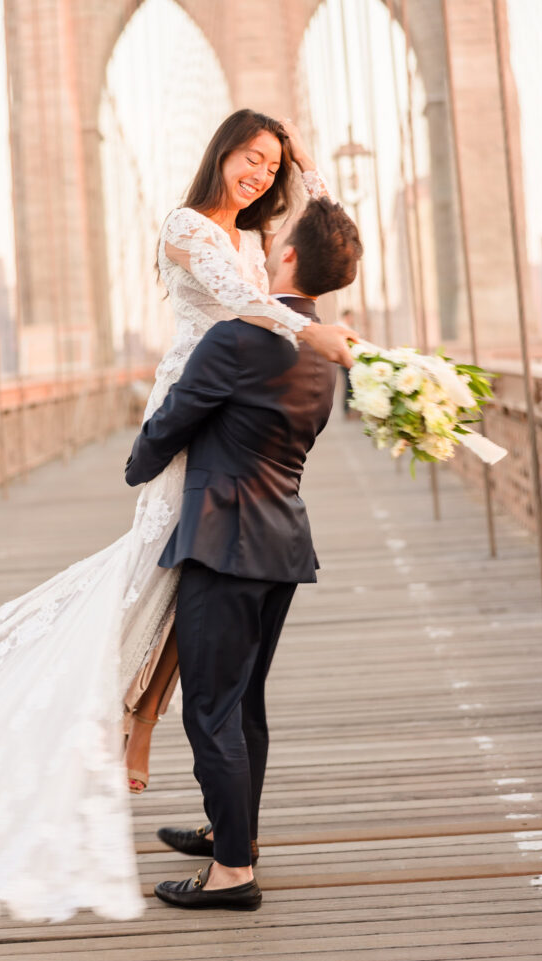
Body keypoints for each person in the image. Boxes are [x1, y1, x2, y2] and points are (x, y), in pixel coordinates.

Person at [0, 110, 355, 928]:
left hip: (220, 418)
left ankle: (150, 749)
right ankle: (143, 734)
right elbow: (251, 300)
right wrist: (311, 331)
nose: (258, 176)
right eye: (249, 158)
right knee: (170, 583)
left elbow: (295, 251)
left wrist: (307, 171)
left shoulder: (256, 238)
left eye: (269, 167)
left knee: (182, 589)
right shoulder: (187, 226)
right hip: (200, 411)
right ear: (219, 152)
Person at [125, 196, 362, 909]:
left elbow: (171, 421)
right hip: (282, 542)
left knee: (209, 708)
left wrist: (139, 466)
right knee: (243, 702)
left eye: (276, 237)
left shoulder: (234, 337)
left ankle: (232, 873)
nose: (262, 245)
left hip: (222, 542)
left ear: (286, 258)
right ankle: (236, 834)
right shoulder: (327, 355)